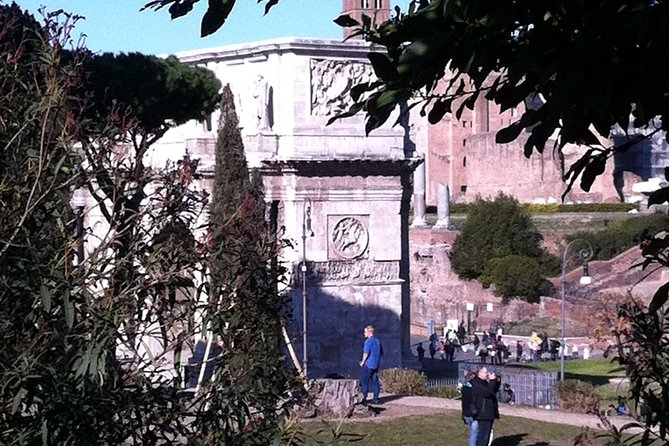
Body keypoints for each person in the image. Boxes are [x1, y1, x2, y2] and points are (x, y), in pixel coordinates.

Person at [471, 367, 501, 446]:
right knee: (482, 437)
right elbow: (488, 392)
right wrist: (492, 381)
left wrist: (496, 382)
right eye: (485, 372)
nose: (487, 374)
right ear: (479, 373)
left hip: (488, 412)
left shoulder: (484, 383)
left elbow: (493, 391)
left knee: (486, 437)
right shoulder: (476, 383)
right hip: (483, 413)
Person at [359, 324, 383, 405]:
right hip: (376, 365)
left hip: (368, 365)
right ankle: (376, 399)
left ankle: (364, 399)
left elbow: (366, 353)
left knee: (364, 382)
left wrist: (362, 362)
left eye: (365, 332)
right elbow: (381, 352)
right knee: (375, 382)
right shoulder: (377, 341)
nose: (364, 333)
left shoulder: (368, 341)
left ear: (369, 332)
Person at [461, 370, 478, 446]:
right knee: (475, 434)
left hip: (466, 413)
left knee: (473, 433)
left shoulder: (464, 388)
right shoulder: (475, 390)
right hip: (474, 414)